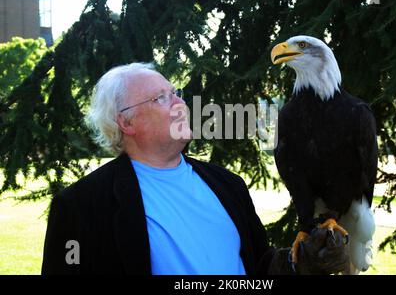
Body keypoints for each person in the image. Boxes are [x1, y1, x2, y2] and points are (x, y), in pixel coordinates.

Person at [41, 63, 348, 275]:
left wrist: (302, 264)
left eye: (176, 94)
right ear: (126, 122)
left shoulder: (227, 184)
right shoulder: (81, 206)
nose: (180, 104)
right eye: (161, 98)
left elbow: (259, 264)